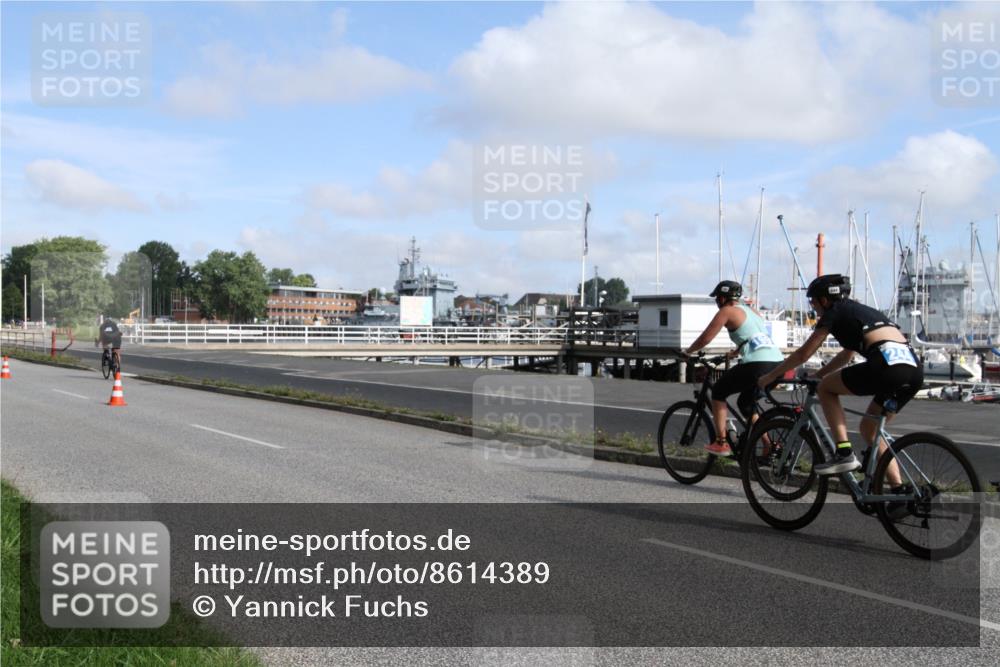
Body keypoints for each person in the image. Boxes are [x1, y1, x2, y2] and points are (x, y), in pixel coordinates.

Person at [757, 274, 923, 477]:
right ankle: (898, 490)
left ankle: (844, 452)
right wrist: (820, 373)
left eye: (813, 302)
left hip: (886, 368)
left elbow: (803, 353)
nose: (813, 307)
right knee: (870, 430)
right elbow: (847, 354)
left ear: (824, 300)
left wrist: (771, 376)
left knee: (825, 388)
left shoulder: (833, 312)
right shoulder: (864, 312)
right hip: (913, 371)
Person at [684, 280, 783, 456]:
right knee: (745, 404)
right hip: (777, 363)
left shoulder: (727, 311)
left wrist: (688, 351)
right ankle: (768, 444)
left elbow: (706, 337)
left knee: (719, 392)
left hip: (757, 365)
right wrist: (735, 352)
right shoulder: (752, 311)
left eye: (717, 299)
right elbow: (754, 336)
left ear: (722, 298)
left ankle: (721, 442)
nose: (717, 302)